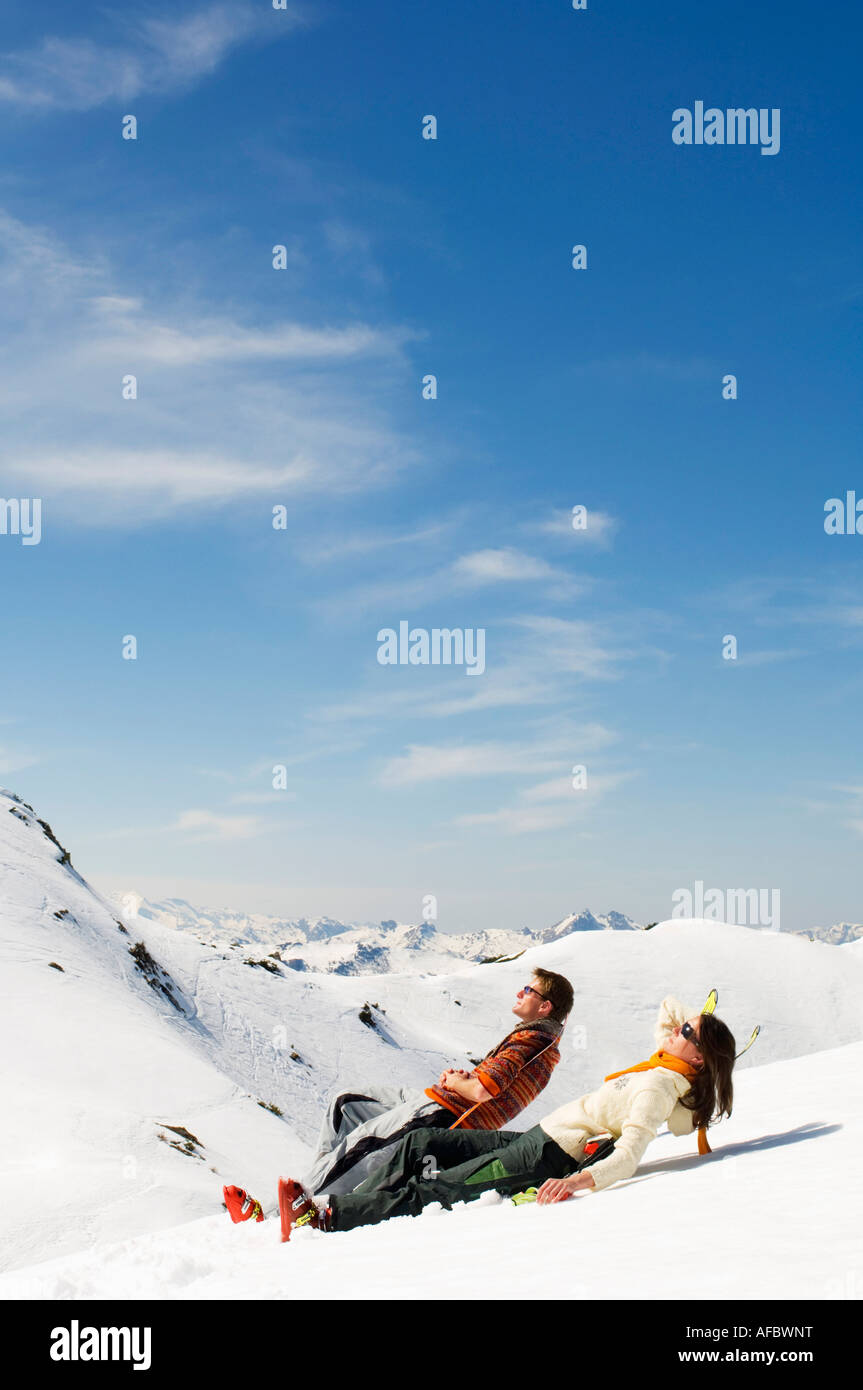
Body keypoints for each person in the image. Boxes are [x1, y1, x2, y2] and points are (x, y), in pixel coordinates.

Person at [275, 995, 736, 1239]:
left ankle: (325, 1217)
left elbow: (631, 1152)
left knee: (437, 1188)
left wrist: (576, 1182)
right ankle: (339, 1204)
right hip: (536, 1139)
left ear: (697, 1058)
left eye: (688, 1032)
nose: (677, 1028)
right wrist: (700, 1024)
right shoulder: (663, 1064)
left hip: (547, 1160)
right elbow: (667, 1012)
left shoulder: (657, 1085)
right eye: (684, 1026)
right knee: (421, 1144)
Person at [223, 966, 574, 1221]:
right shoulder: (536, 1039)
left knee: (360, 1145)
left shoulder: (533, 1040)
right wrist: (463, 1076)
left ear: (545, 1007)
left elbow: (483, 1091)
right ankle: (312, 1191)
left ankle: (277, 1214)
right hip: (432, 1099)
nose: (519, 993)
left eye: (528, 991)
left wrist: (457, 1083)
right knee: (345, 1106)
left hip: (443, 1112)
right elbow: (489, 1081)